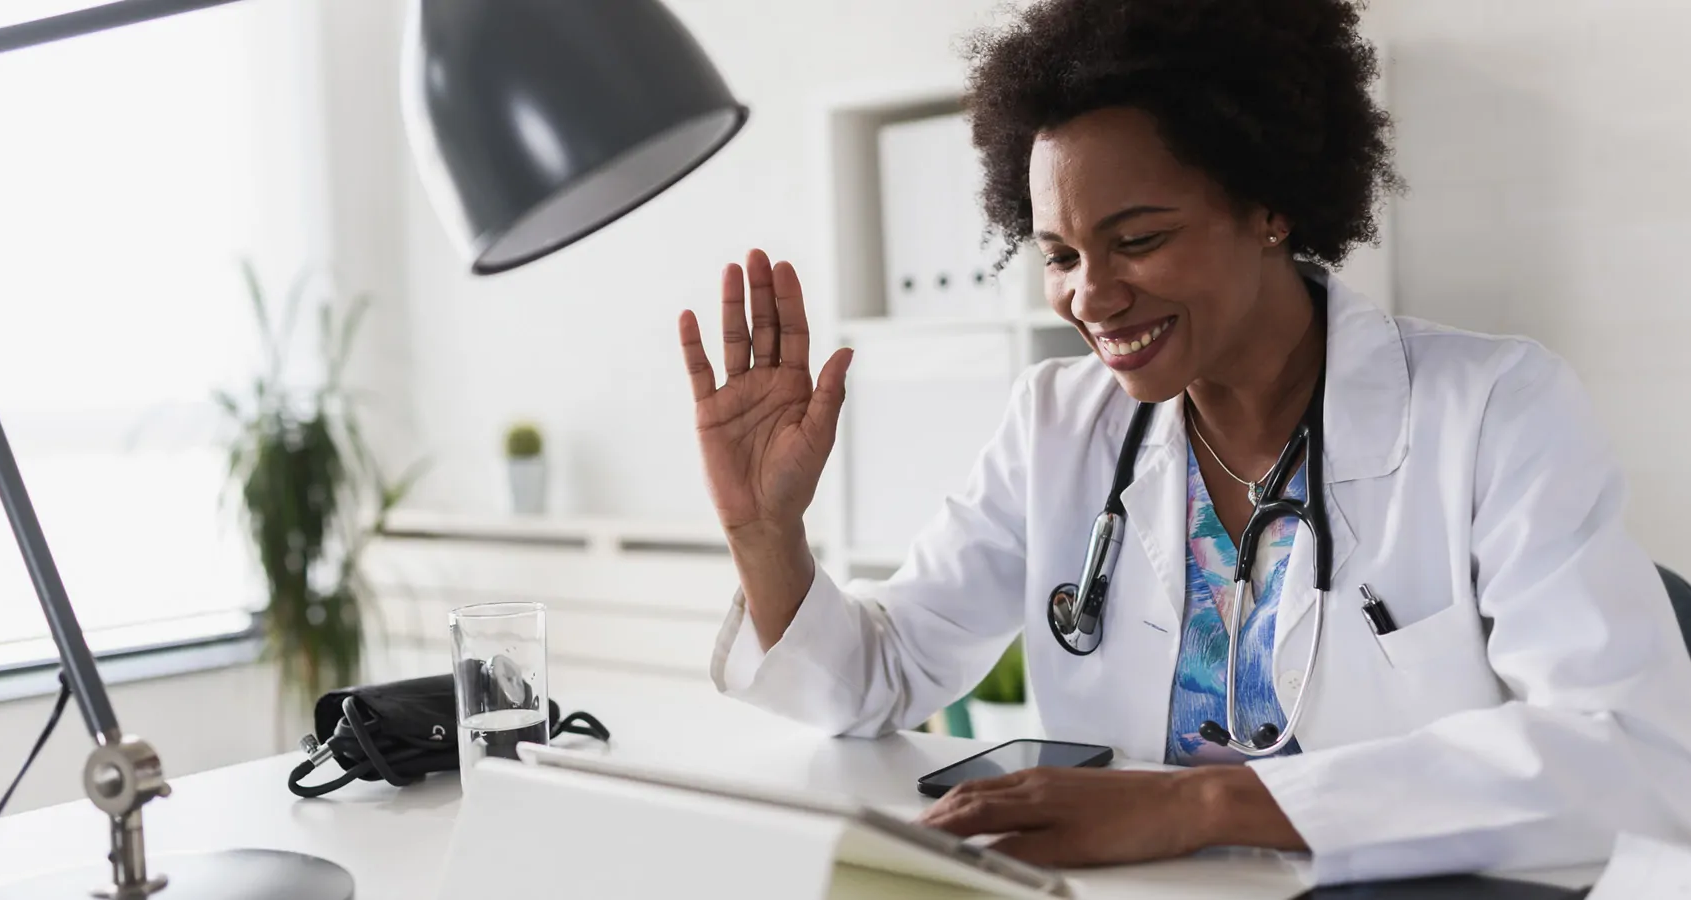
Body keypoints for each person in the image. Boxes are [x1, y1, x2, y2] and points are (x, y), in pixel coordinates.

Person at [674, 0, 1691, 885]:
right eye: (1060, 254)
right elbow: (874, 683)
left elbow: (1632, 755)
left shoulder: (1495, 409)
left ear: (1269, 206)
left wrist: (1197, 806)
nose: (1093, 297)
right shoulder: (1058, 426)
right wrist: (767, 532)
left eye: (1139, 239)